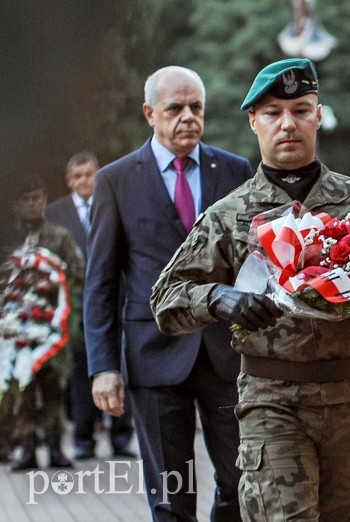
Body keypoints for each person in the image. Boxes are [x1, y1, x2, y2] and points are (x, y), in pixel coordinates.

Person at [150, 58, 350, 521]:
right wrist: (221, 299)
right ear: (253, 122)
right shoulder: (231, 213)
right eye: (273, 113)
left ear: (319, 116)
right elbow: (165, 298)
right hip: (272, 400)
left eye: (301, 110)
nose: (288, 124)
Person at [84, 66, 252, 521]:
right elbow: (101, 282)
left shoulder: (235, 170)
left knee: (242, 486)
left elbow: (253, 266)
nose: (187, 117)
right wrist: (103, 367)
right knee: (171, 496)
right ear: (149, 113)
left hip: (225, 355)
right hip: (153, 357)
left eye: (196, 107)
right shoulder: (116, 181)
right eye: (175, 108)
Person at [44, 151, 136, 460]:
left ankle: (121, 437)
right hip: (74, 308)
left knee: (122, 366)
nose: (85, 181)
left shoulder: (115, 202)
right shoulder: (54, 213)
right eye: (78, 176)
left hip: (119, 301)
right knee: (81, 374)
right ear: (69, 181)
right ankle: (84, 439)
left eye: (90, 174)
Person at [4, 177, 83, 471]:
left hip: (52, 329)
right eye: (26, 199)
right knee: (21, 389)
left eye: (37, 198)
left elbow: (77, 274)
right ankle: (25, 447)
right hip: (14, 331)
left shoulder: (58, 236)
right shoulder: (8, 238)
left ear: (45, 199)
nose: (32, 204)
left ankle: (55, 447)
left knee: (54, 389)